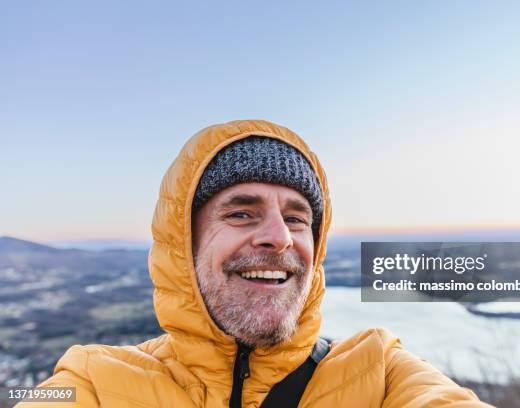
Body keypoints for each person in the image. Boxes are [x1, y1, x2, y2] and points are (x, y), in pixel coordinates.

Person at [17, 120, 493, 407]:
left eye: (297, 218)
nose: (279, 237)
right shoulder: (95, 382)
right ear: (184, 242)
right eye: (241, 212)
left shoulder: (380, 373)